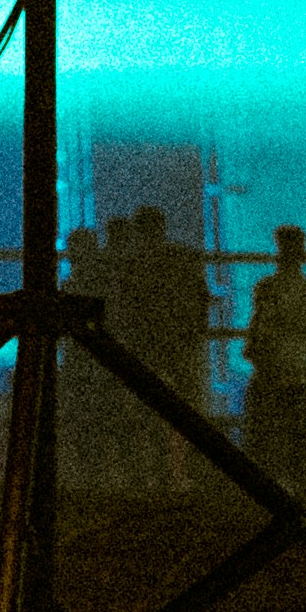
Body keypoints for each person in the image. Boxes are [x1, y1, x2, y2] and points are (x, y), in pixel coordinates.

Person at [93, 204, 210, 492]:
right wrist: (193, 335)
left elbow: (125, 309)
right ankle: (188, 472)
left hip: (146, 347)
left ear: (138, 230)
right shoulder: (184, 258)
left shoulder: (132, 263)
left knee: (144, 410)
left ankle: (150, 472)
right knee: (184, 410)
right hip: (179, 345)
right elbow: (201, 299)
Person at [241, 224, 306, 476]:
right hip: (298, 368)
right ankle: (297, 476)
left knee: (263, 429)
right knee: (296, 429)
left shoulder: (267, 288)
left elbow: (258, 327)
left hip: (270, 368)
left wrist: (255, 353)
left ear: (279, 251)